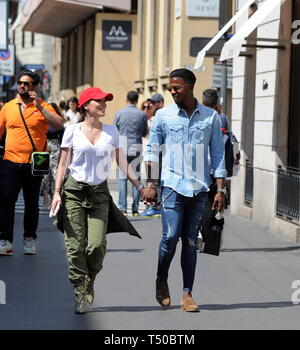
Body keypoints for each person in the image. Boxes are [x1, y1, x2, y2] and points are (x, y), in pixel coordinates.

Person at [50, 87, 146, 314]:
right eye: (99, 101)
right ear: (85, 106)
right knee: (75, 247)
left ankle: (89, 279)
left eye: (105, 100)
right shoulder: (71, 130)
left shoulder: (112, 131)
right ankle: (79, 290)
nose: (103, 104)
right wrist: (56, 191)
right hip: (73, 192)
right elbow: (63, 164)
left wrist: (140, 187)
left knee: (95, 246)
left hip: (99, 194)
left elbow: (123, 163)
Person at [143, 68, 227, 312]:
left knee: (190, 242)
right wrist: (151, 184)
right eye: (171, 87)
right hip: (171, 186)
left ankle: (187, 294)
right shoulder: (163, 116)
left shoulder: (210, 117)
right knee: (170, 238)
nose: (172, 91)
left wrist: (220, 189)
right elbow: (152, 151)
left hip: (199, 188)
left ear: (189, 87)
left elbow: (218, 155)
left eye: (176, 87)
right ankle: (161, 279)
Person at [0, 70, 64, 256]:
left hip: (35, 163)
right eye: (20, 82)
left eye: (27, 83)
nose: (22, 86)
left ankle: (30, 239)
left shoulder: (44, 106)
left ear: (34, 87)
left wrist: (41, 108)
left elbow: (59, 124)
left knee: (31, 204)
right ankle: (5, 240)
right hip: (10, 161)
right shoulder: (8, 107)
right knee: (6, 202)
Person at [113, 91, 148, 216]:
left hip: (122, 148)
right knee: (136, 178)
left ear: (126, 99)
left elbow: (114, 131)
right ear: (137, 100)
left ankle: (122, 208)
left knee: (123, 178)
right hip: (136, 147)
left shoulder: (119, 113)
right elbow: (144, 132)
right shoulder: (142, 115)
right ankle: (135, 209)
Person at [141, 93, 164, 217]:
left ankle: (156, 206)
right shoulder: (151, 117)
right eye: (150, 103)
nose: (151, 105)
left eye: (154, 103)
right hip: (148, 153)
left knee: (156, 180)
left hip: (158, 153)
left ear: (160, 103)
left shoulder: (162, 117)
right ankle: (151, 204)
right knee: (150, 179)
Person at [40, 102, 65, 207]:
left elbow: (63, 135)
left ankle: (55, 197)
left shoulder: (58, 121)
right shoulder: (42, 119)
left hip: (55, 147)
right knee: (45, 174)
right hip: (44, 147)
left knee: (54, 173)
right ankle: (46, 198)